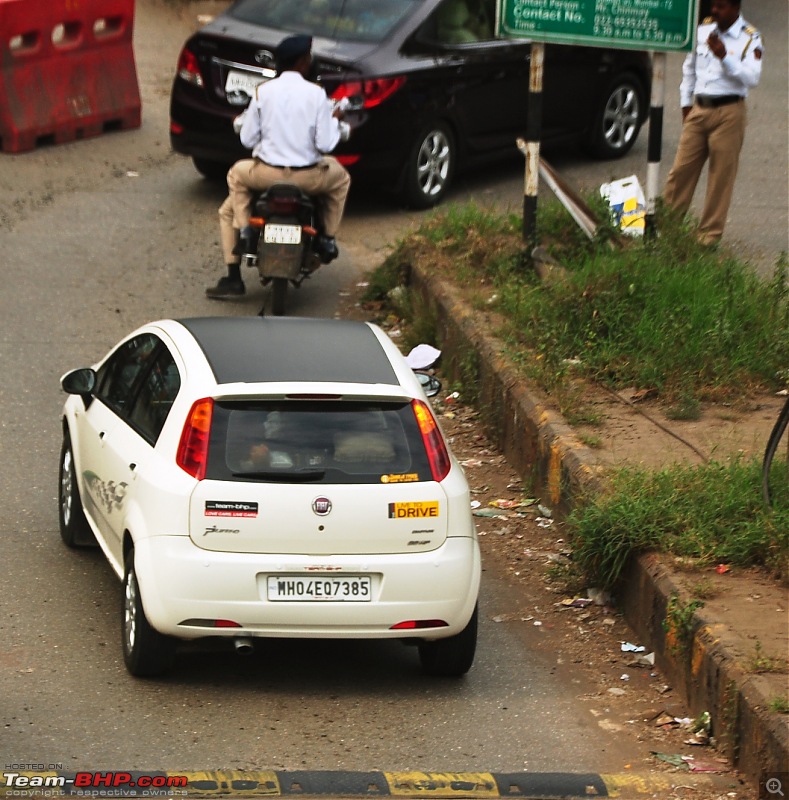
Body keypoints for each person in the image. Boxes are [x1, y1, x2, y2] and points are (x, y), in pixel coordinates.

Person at [206, 34, 352, 298]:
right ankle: (327, 238)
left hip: (266, 176)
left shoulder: (263, 92)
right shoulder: (317, 95)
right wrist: (335, 119)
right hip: (308, 178)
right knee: (341, 179)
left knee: (235, 181)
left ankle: (240, 256)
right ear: (304, 62)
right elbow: (326, 144)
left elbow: (247, 138)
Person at [662, 0, 763, 247]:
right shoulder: (703, 30)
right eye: (713, 6)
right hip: (699, 109)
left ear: (735, 8)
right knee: (680, 171)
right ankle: (666, 231)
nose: (714, 11)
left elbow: (752, 78)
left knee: (721, 177)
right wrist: (686, 105)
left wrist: (724, 56)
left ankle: (708, 238)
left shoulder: (750, 37)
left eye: (721, 6)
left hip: (729, 112)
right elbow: (689, 69)